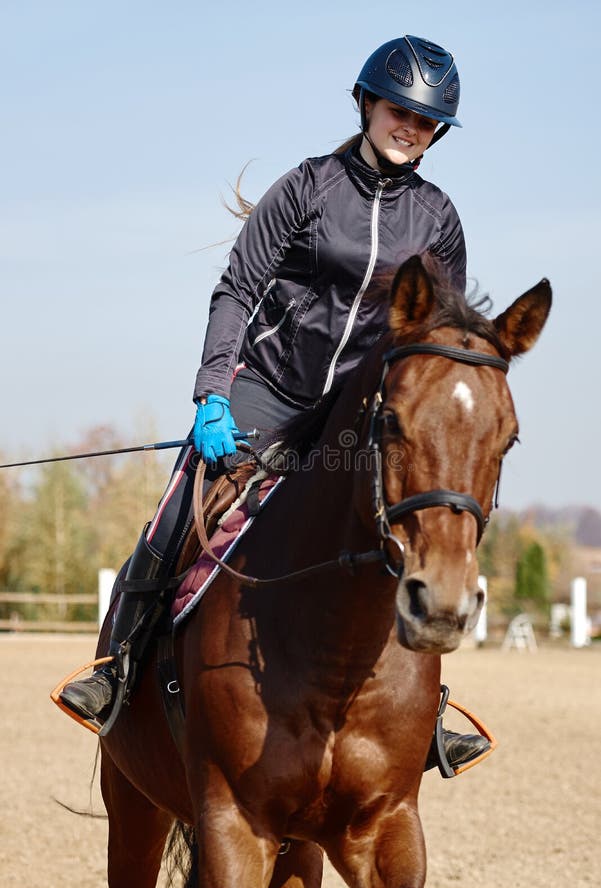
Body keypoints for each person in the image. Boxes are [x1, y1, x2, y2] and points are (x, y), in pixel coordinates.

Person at [60, 35, 489, 769]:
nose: (409, 129)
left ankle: (429, 707)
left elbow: (434, 330)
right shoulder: (307, 187)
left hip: (354, 414)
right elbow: (237, 291)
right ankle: (119, 665)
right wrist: (213, 395)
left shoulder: (438, 218)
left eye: (425, 123)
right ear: (366, 104)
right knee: (180, 513)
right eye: (398, 111)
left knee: (412, 526)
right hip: (268, 389)